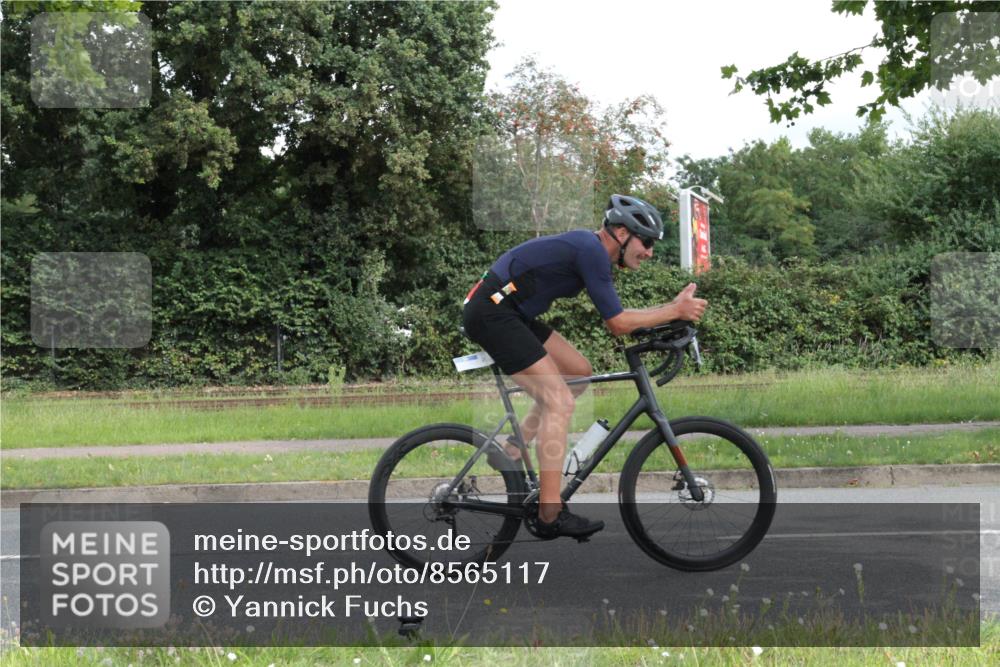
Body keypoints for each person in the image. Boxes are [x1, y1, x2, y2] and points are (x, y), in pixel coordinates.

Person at [461, 194, 708, 539]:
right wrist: (674, 310)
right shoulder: (591, 250)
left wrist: (671, 312)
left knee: (577, 372)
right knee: (559, 401)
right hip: (493, 312)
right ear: (622, 233)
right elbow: (618, 323)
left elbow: (620, 317)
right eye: (647, 242)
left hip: (508, 312)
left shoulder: (591, 251)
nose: (650, 252)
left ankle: (513, 448)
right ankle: (550, 514)